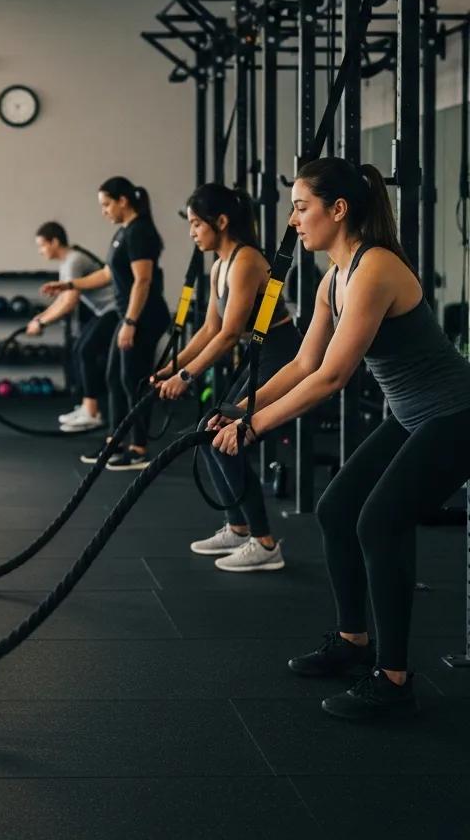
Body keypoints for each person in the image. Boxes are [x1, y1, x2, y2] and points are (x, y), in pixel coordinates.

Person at [212, 158, 470, 720]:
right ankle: (354, 642)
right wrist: (240, 406)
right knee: (336, 511)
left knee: (380, 522)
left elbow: (332, 377)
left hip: (455, 416)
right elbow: (304, 362)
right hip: (411, 416)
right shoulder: (335, 277)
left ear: (339, 210)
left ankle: (394, 680)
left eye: (301, 207)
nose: (293, 220)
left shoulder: (375, 268)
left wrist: (255, 426)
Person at [153, 183, 299, 572]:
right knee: (210, 430)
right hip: (260, 355)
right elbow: (209, 329)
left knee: (221, 435)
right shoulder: (220, 265)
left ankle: (264, 543)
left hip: (282, 355)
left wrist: (186, 376)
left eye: (196, 224)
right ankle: (237, 528)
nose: (191, 232)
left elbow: (230, 334)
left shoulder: (247, 260)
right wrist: (170, 368)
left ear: (221, 221)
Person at [43, 177, 170, 470]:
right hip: (130, 316)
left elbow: (143, 280)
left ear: (123, 201)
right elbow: (107, 274)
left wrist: (130, 321)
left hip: (143, 317)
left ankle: (138, 449)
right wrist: (69, 285)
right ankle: (116, 441)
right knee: (114, 376)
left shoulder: (140, 232)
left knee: (133, 380)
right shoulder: (123, 232)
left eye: (106, 204)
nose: (104, 211)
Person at [27, 220, 117, 433]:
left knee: (86, 350)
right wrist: (40, 318)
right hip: (103, 311)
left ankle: (92, 413)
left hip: (115, 310)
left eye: (42, 245)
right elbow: (62, 298)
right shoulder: (67, 262)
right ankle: (88, 407)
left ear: (55, 241)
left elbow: (69, 302)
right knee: (80, 349)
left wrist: (42, 322)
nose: (40, 251)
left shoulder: (73, 261)